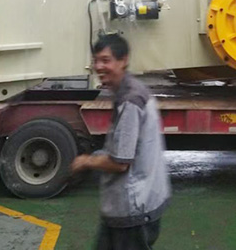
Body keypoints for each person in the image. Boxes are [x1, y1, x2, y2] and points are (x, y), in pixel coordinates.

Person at [71, 34, 171, 250]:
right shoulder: (131, 90)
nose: (99, 66)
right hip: (133, 203)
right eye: (96, 60)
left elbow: (120, 162)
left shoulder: (130, 101)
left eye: (105, 60)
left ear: (123, 60)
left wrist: (86, 161)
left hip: (133, 209)